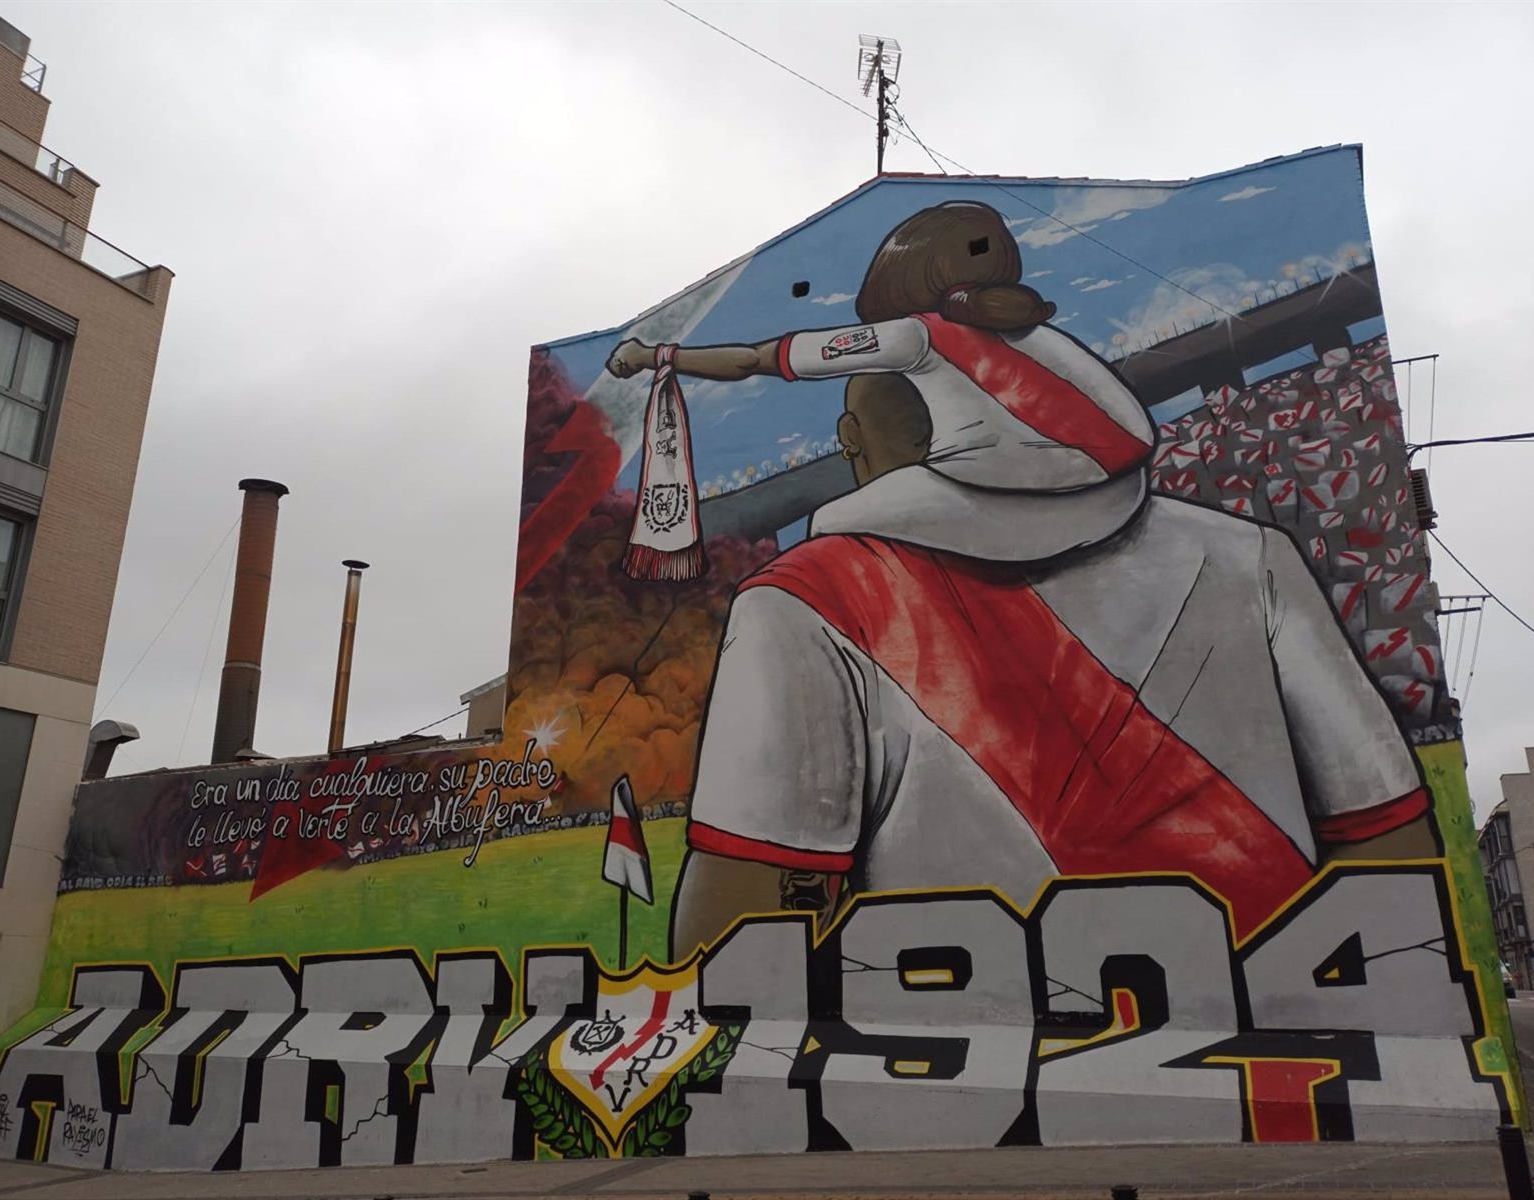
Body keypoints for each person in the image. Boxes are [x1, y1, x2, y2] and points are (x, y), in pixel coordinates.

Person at [607, 201, 1440, 958]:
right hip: (1116, 488)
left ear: (857, 444)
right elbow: (1387, 830)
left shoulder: (812, 594)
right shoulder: (1248, 550)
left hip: (961, 1035)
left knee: (834, 546)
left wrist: (660, 356)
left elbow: (733, 937)